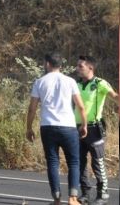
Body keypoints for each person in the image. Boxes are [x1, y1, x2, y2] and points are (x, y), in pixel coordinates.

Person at [26, 52, 88, 205]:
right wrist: (84, 124)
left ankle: (57, 199)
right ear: (61, 65)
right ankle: (73, 198)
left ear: (47, 64)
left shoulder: (39, 82)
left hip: (48, 127)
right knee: (74, 162)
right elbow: (80, 106)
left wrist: (29, 127)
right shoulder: (70, 81)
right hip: (68, 126)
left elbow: (32, 108)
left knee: (53, 162)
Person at [75, 55, 118, 204]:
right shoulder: (76, 84)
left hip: (94, 129)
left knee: (97, 162)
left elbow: (115, 96)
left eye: (81, 66)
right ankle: (85, 193)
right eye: (77, 66)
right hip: (77, 128)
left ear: (90, 68)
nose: (77, 69)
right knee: (80, 162)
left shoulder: (100, 83)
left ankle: (103, 194)